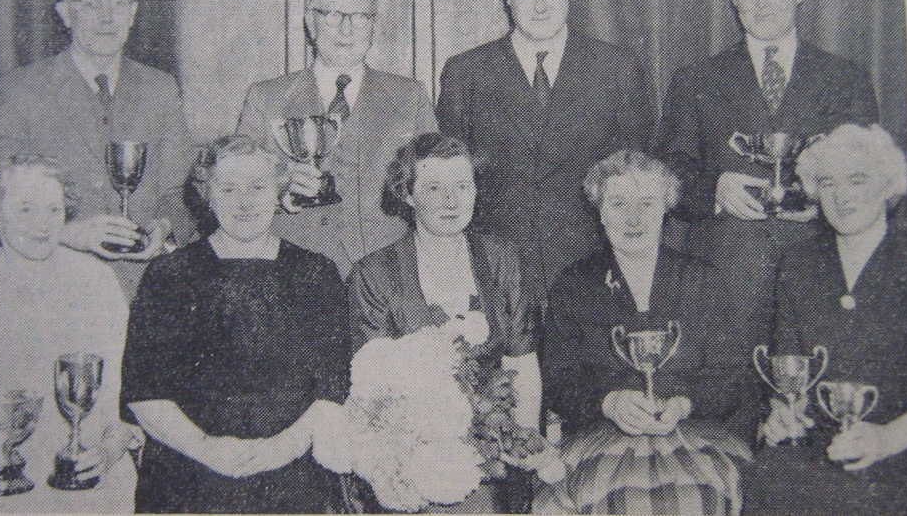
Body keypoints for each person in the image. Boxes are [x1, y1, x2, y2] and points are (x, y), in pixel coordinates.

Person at [657, 0, 878, 354]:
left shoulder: (846, 79)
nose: (762, 2)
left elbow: (869, 178)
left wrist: (826, 198)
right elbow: (668, 175)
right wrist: (716, 190)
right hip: (725, 280)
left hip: (820, 275)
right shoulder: (695, 80)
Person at [120, 135, 350, 513]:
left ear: (279, 191)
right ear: (207, 196)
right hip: (189, 480)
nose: (245, 202)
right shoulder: (169, 275)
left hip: (292, 479)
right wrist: (208, 449)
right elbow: (144, 391)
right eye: (228, 189)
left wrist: (279, 450)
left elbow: (333, 387)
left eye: (258, 187)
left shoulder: (316, 274)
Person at [437, 0, 655, 310]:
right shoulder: (467, 72)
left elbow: (641, 178)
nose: (540, 6)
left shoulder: (617, 68)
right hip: (497, 276)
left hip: (593, 271)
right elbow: (448, 180)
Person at [537, 150, 754, 515]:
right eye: (619, 203)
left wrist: (684, 404)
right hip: (599, 437)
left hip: (698, 434)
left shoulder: (702, 279)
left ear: (666, 208)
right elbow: (558, 381)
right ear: (600, 212)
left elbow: (732, 378)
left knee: (698, 497)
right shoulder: (573, 284)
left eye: (648, 203)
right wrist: (609, 403)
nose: (634, 218)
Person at [0, 0, 196, 297]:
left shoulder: (160, 88)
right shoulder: (23, 88)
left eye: (118, 3)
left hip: (147, 289)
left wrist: (164, 228)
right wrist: (68, 231)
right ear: (64, 14)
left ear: (133, 14)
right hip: (52, 285)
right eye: (90, 3)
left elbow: (182, 191)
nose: (106, 18)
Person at [348, 132, 541, 513]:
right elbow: (373, 397)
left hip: (497, 446)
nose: (452, 201)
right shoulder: (373, 273)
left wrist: (523, 445)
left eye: (462, 186)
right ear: (407, 194)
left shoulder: (502, 258)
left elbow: (522, 364)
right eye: (434, 188)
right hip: (411, 452)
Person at [744, 124, 907, 515]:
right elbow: (790, 375)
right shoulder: (799, 265)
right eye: (827, 183)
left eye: (857, 180)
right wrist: (785, 414)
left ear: (888, 185)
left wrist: (888, 439)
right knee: (766, 477)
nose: (841, 196)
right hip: (822, 446)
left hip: (904, 447)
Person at [237, 0, 438, 278]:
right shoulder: (266, 97)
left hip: (386, 273)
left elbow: (434, 184)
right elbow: (232, 186)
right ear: (310, 22)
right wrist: (278, 187)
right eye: (332, 15)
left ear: (373, 25)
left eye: (359, 17)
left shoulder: (410, 96)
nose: (346, 29)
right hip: (289, 271)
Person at [0, 156, 141, 513]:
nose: (42, 225)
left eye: (54, 209)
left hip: (89, 472)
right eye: (26, 209)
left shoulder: (97, 281)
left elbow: (129, 390)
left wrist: (110, 448)